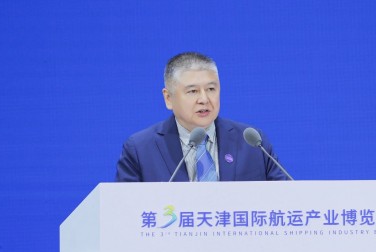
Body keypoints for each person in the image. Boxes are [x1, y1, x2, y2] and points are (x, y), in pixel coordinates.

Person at [115, 52, 289, 182]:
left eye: (211, 89)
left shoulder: (252, 143)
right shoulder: (140, 149)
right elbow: (124, 211)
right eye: (193, 91)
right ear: (168, 98)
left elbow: (288, 200)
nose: (204, 99)